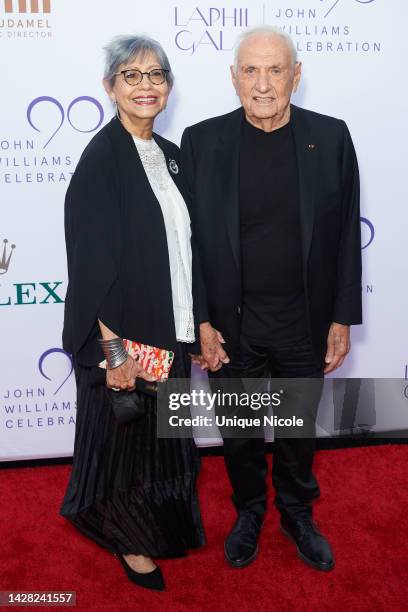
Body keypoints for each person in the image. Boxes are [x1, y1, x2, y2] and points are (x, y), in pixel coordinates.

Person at [181, 26, 362, 572]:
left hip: (303, 321)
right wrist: (201, 321)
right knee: (238, 433)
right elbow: (185, 245)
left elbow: (347, 234)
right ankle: (249, 510)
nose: (263, 84)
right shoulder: (201, 141)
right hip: (232, 327)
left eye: (275, 70)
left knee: (297, 431)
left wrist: (342, 317)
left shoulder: (329, 138)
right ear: (234, 78)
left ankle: (297, 513)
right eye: (251, 71)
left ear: (296, 75)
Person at [61, 34, 205, 591]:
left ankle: (154, 527)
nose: (146, 85)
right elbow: (91, 266)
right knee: (123, 447)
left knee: (160, 443)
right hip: (124, 336)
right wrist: (115, 353)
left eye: (156, 75)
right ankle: (129, 538)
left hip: (170, 327)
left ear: (168, 87)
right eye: (132, 75)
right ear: (110, 87)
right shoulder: (102, 161)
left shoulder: (170, 155)